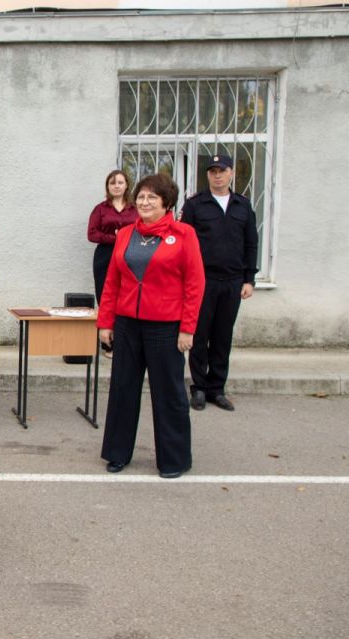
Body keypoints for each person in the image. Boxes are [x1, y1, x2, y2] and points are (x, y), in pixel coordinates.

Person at [97, 174, 205, 479]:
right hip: (127, 324)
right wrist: (106, 322)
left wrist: (188, 328)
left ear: (166, 203)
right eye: (141, 197)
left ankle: (174, 459)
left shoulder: (184, 235)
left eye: (152, 198)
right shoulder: (125, 234)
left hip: (166, 327)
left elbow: (195, 284)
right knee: (123, 389)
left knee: (169, 394)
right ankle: (117, 453)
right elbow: (112, 282)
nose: (144, 203)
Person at [180, 153, 259, 412]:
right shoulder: (195, 205)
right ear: (207, 175)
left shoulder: (242, 206)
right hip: (203, 281)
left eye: (222, 171)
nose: (217, 175)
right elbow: (184, 244)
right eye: (213, 171)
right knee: (200, 335)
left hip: (233, 281)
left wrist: (249, 279)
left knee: (223, 336)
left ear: (231, 173)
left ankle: (217, 388)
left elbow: (251, 244)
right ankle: (199, 388)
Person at [87, 170, 137, 349]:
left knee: (126, 296)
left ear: (127, 185)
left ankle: (124, 341)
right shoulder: (100, 209)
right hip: (105, 256)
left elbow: (142, 229)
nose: (116, 186)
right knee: (105, 295)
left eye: (120, 182)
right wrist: (116, 238)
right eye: (112, 183)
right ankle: (108, 343)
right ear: (107, 186)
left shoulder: (135, 209)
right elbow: (92, 234)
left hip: (130, 254)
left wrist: (123, 237)